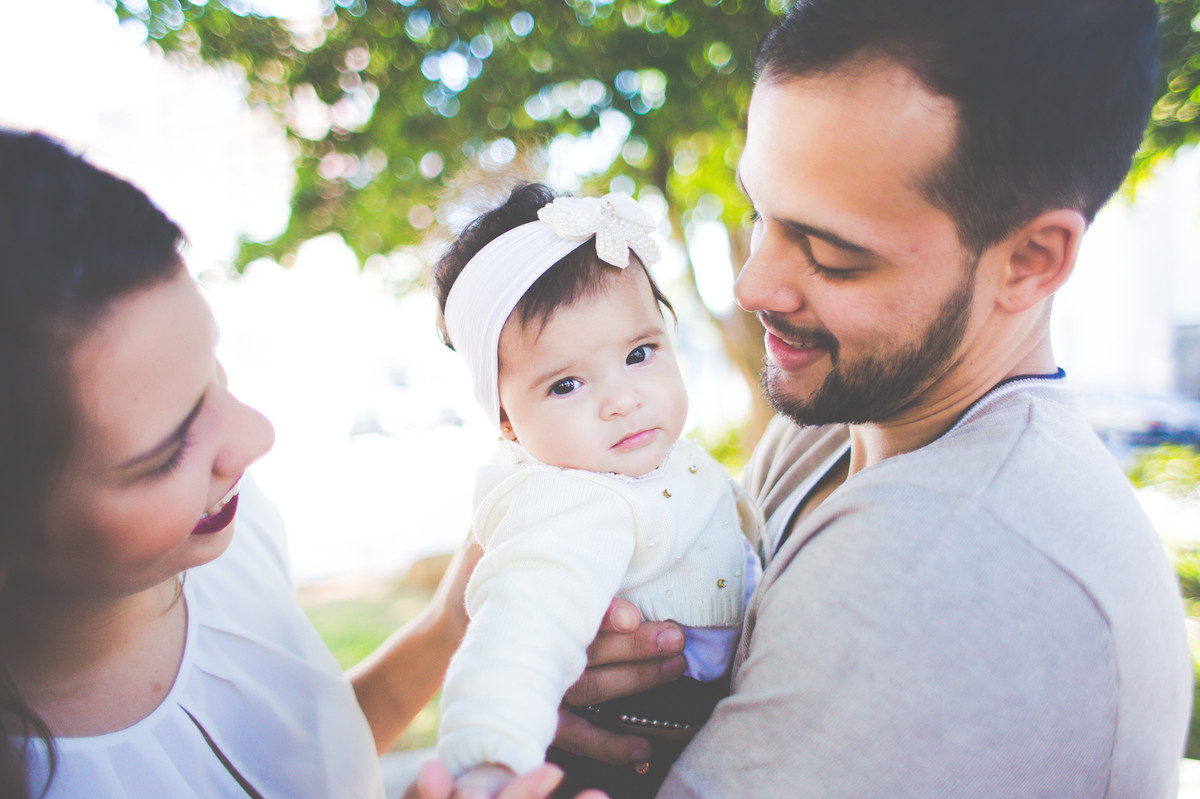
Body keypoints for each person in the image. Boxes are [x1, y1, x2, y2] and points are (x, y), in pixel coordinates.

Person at [567, 0, 1193, 796]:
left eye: (831, 253)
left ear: (1031, 260)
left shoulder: (938, 548)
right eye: (759, 212)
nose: (752, 283)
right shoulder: (844, 420)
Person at [0, 129, 573, 799]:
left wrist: (449, 625)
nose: (254, 437)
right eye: (166, 453)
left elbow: (303, 753)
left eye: (213, 373)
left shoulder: (230, 537)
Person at [428, 184, 764, 798]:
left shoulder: (655, 466)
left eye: (640, 353)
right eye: (566, 385)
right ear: (505, 419)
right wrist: (490, 756)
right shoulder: (570, 503)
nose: (622, 399)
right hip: (625, 765)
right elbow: (522, 626)